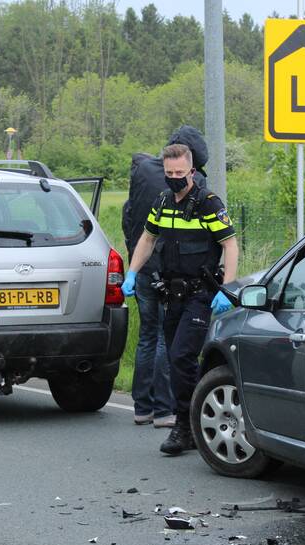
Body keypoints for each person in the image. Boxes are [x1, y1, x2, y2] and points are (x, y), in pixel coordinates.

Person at [121, 142, 239, 455]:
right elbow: (148, 238)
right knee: (177, 361)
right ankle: (195, 419)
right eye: (170, 173)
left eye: (181, 173)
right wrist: (132, 272)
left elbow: (230, 245)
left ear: (192, 171)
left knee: (181, 357)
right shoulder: (163, 201)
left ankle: (186, 427)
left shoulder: (208, 203)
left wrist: (227, 288)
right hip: (171, 293)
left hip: (201, 294)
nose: (176, 178)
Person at [121, 127, 212, 429]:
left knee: (148, 335)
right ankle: (164, 410)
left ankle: (141, 407)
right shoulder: (192, 182)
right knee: (164, 337)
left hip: (141, 266)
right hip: (169, 273)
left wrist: (133, 267)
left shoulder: (145, 173)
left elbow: (128, 215)